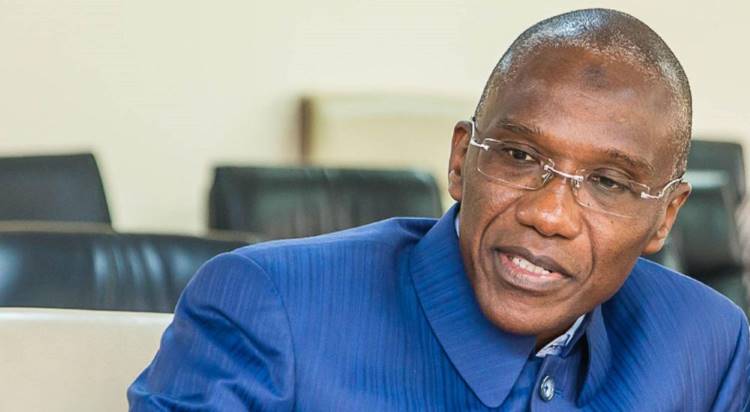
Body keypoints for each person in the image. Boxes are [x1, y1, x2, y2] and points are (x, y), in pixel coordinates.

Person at [129, 8, 749, 411]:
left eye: (609, 184)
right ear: (460, 160)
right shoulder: (270, 307)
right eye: (519, 155)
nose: (550, 214)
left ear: (665, 218)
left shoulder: (708, 344)